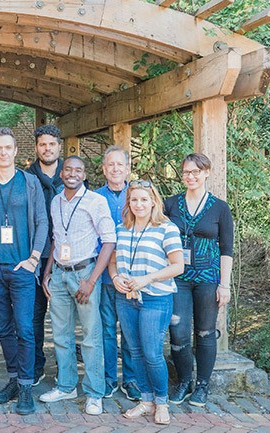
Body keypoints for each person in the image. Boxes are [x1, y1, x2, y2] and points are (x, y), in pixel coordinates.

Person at [0, 128, 47, 415]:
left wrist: (34, 258)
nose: (3, 152)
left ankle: (27, 386)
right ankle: (14, 379)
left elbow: (42, 221)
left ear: (16, 151)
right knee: (4, 328)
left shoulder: (30, 183)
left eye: (8, 148)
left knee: (25, 329)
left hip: (22, 268)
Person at [39, 156, 115, 416]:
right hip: (59, 274)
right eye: (68, 169)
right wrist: (47, 272)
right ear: (62, 173)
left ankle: (95, 393)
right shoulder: (56, 200)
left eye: (78, 170)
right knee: (61, 334)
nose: (73, 173)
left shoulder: (96, 201)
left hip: (85, 273)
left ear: (84, 174)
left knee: (91, 337)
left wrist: (92, 280)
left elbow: (108, 242)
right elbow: (56, 239)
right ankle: (67, 385)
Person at [108, 180, 184, 425]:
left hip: (156, 299)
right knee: (135, 352)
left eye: (143, 199)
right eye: (134, 200)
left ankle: (162, 403)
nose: (138, 204)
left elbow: (178, 266)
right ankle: (146, 399)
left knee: (152, 353)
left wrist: (147, 279)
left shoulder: (166, 228)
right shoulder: (122, 229)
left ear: (153, 201)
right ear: (128, 203)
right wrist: (116, 277)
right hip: (126, 298)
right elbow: (112, 261)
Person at [165, 153, 234, 407]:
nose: (190, 176)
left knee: (205, 332)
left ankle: (203, 386)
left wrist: (224, 285)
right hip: (177, 277)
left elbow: (227, 249)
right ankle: (184, 381)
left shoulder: (219, 208)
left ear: (206, 173)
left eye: (196, 172)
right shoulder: (170, 204)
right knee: (178, 332)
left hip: (208, 279)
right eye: (186, 172)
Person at [94, 146, 140, 401]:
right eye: (110, 165)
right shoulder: (93, 197)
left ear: (127, 168)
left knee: (130, 331)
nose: (115, 169)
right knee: (107, 330)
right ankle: (109, 378)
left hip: (131, 275)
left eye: (119, 165)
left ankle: (130, 379)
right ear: (103, 169)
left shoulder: (138, 196)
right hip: (103, 276)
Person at [24, 124, 64, 385]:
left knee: (64, 317)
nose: (47, 148)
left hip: (65, 257)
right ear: (36, 147)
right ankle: (36, 366)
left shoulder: (72, 174)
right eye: (42, 144)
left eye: (51, 144)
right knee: (35, 315)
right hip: (35, 255)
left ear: (59, 145)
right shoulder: (26, 178)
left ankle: (66, 368)